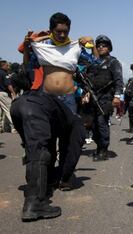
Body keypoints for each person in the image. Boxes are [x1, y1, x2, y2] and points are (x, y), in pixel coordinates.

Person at [11, 12, 90, 221]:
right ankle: (40, 189)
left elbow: (92, 61)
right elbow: (27, 62)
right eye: (58, 31)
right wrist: (30, 42)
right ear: (52, 29)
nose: (62, 34)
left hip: (67, 99)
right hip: (45, 99)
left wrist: (88, 43)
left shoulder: (75, 47)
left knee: (70, 137)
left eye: (66, 31)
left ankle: (61, 177)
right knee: (44, 143)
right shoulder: (43, 45)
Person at [86, 34, 123, 161]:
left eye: (104, 45)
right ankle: (98, 146)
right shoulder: (94, 63)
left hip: (106, 98)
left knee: (102, 124)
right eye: (99, 45)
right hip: (94, 98)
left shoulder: (113, 62)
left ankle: (104, 149)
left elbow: (119, 80)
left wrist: (117, 96)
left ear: (109, 48)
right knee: (93, 125)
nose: (101, 47)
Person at [0, 59, 16, 133]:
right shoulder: (4, 73)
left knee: (3, 110)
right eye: (7, 65)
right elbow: (8, 84)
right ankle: (14, 127)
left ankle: (3, 127)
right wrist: (13, 92)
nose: (8, 66)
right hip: (3, 93)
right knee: (10, 109)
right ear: (3, 66)